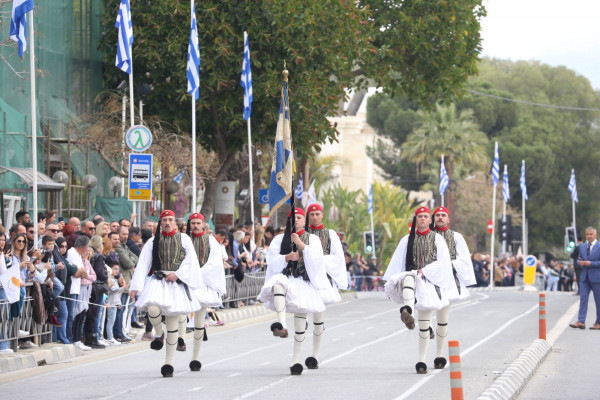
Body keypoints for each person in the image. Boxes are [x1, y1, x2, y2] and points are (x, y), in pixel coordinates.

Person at [129, 210, 204, 377]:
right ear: (160, 223)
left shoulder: (184, 239)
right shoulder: (152, 241)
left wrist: (178, 274)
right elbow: (143, 263)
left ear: (175, 223)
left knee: (172, 325)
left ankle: (168, 363)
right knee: (152, 309)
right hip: (158, 280)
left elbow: (190, 261)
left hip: (176, 283)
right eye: (164, 220)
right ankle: (158, 333)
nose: (168, 223)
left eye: (170, 220)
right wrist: (136, 285)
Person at [257, 207, 328, 376]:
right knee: (277, 284)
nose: (296, 220)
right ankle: (281, 325)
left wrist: (302, 246)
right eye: (293, 218)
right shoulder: (279, 239)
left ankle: (295, 362)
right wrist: (287, 257)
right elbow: (271, 261)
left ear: (304, 220)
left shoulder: (313, 239)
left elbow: (318, 262)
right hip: (288, 278)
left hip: (304, 282)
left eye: (299, 217)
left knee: (300, 323)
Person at [383, 206, 453, 374]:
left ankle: (431, 358)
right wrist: (391, 286)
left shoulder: (438, 239)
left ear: (430, 220)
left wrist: (426, 271)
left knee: (432, 323)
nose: (422, 219)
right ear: (416, 219)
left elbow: (443, 263)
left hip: (431, 282)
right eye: (419, 216)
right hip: (413, 280)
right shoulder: (406, 240)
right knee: (408, 278)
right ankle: (408, 312)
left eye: (425, 216)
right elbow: (398, 264)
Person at [431, 206, 475, 370]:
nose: (440, 218)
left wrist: (449, 264)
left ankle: (439, 355)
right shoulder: (426, 236)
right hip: (428, 280)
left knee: (442, 318)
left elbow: (464, 259)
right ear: (432, 218)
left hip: (447, 282)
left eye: (443, 215)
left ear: (448, 219)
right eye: (437, 215)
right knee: (425, 313)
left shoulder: (456, 237)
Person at [181, 212, 226, 371]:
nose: (195, 226)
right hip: (184, 283)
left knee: (199, 323)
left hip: (202, 284)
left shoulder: (211, 240)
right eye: (192, 223)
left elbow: (214, 263)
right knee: (180, 314)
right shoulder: (183, 239)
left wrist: (197, 275)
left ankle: (195, 358)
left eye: (198, 223)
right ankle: (180, 339)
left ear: (203, 224)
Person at [305, 203, 348, 370]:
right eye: (312, 214)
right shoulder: (303, 234)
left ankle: (315, 355)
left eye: (317, 214)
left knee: (318, 319)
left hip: (322, 280)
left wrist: (317, 261)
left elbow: (337, 258)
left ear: (322, 215)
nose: (314, 217)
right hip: (304, 279)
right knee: (301, 317)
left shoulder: (330, 234)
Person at [569, 227, 600, 330]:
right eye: (587, 234)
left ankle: (598, 323)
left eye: (591, 234)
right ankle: (581, 321)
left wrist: (590, 263)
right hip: (584, 278)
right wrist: (580, 262)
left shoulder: (599, 246)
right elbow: (578, 259)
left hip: (597, 278)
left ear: (596, 235)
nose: (589, 236)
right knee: (583, 299)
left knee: (598, 301)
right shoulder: (582, 246)